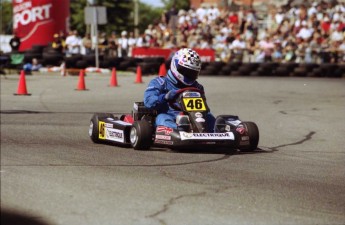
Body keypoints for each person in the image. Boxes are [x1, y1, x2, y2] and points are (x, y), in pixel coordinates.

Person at [144, 48, 215, 132]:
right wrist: (165, 97)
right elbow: (148, 102)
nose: (189, 75)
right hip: (170, 116)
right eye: (186, 71)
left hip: (193, 118)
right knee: (162, 118)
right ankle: (179, 131)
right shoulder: (160, 83)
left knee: (210, 117)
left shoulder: (197, 87)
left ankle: (218, 131)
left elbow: (204, 110)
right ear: (175, 65)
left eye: (192, 73)